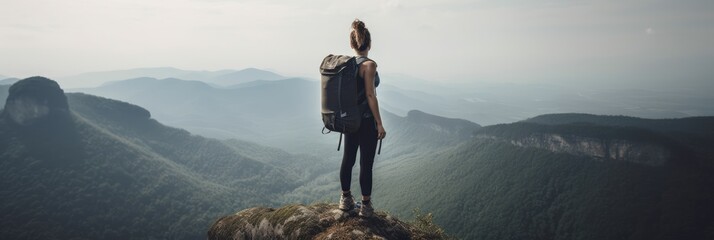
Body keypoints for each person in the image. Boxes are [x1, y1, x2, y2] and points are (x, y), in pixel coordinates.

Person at [338, 19, 387, 218]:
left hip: (349, 121)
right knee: (366, 163)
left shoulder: (347, 65)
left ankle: (345, 199)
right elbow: (370, 94)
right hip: (366, 121)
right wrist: (379, 123)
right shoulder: (370, 65)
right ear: (370, 44)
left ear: (352, 44)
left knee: (348, 159)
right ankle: (365, 207)